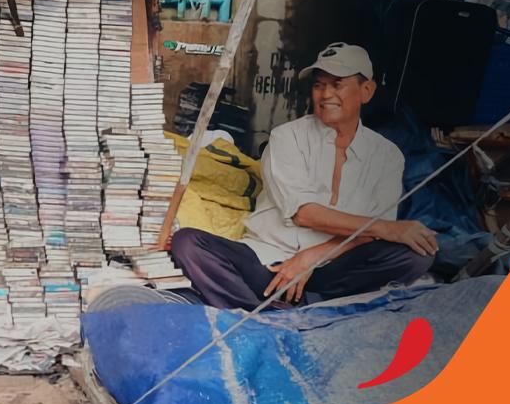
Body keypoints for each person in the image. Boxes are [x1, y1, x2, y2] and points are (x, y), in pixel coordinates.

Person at [166, 42, 437, 310]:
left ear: (366, 91)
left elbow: (370, 236)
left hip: (333, 268)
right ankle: (280, 312)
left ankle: (281, 306)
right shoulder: (286, 137)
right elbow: (304, 214)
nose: (325, 94)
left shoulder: (387, 155)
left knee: (416, 254)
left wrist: (311, 258)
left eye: (337, 84)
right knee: (188, 243)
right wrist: (388, 227)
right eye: (319, 85)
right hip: (267, 263)